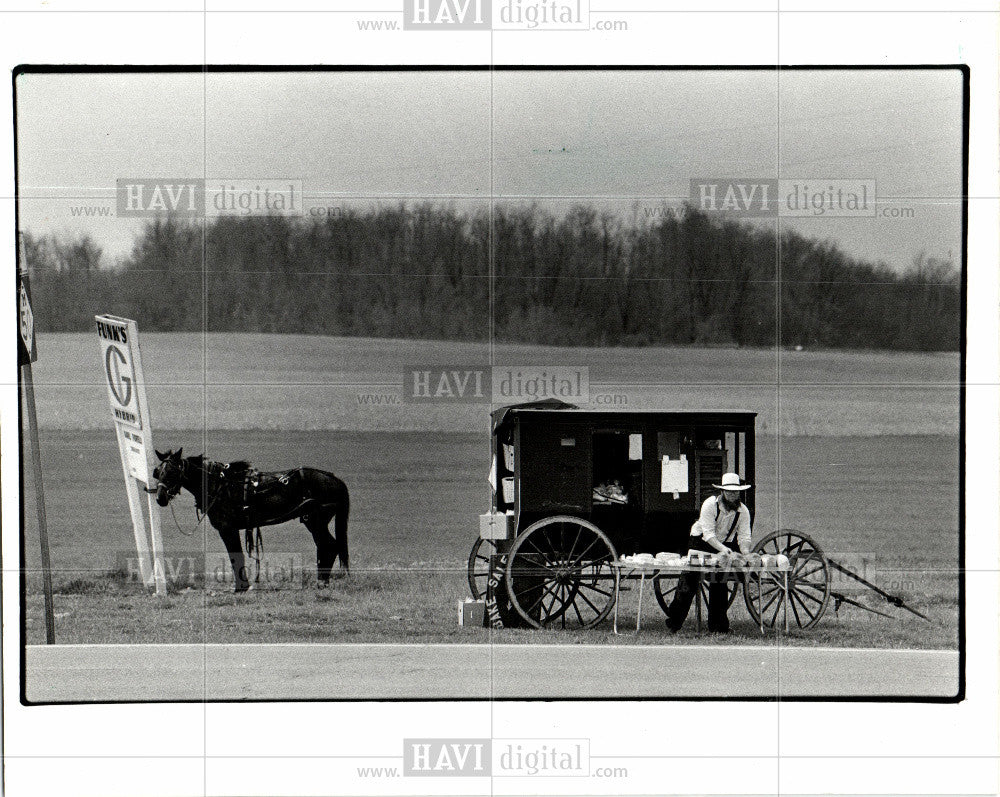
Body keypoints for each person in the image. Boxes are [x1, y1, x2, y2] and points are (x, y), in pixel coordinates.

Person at [665, 472, 753, 633]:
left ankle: (718, 627)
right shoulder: (710, 505)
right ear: (722, 492)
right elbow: (708, 534)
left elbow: (744, 537)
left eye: (736, 492)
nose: (733, 495)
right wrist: (726, 550)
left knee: (719, 581)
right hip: (701, 543)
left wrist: (745, 553)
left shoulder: (743, 511)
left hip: (723, 546)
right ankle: (674, 622)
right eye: (729, 491)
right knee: (689, 580)